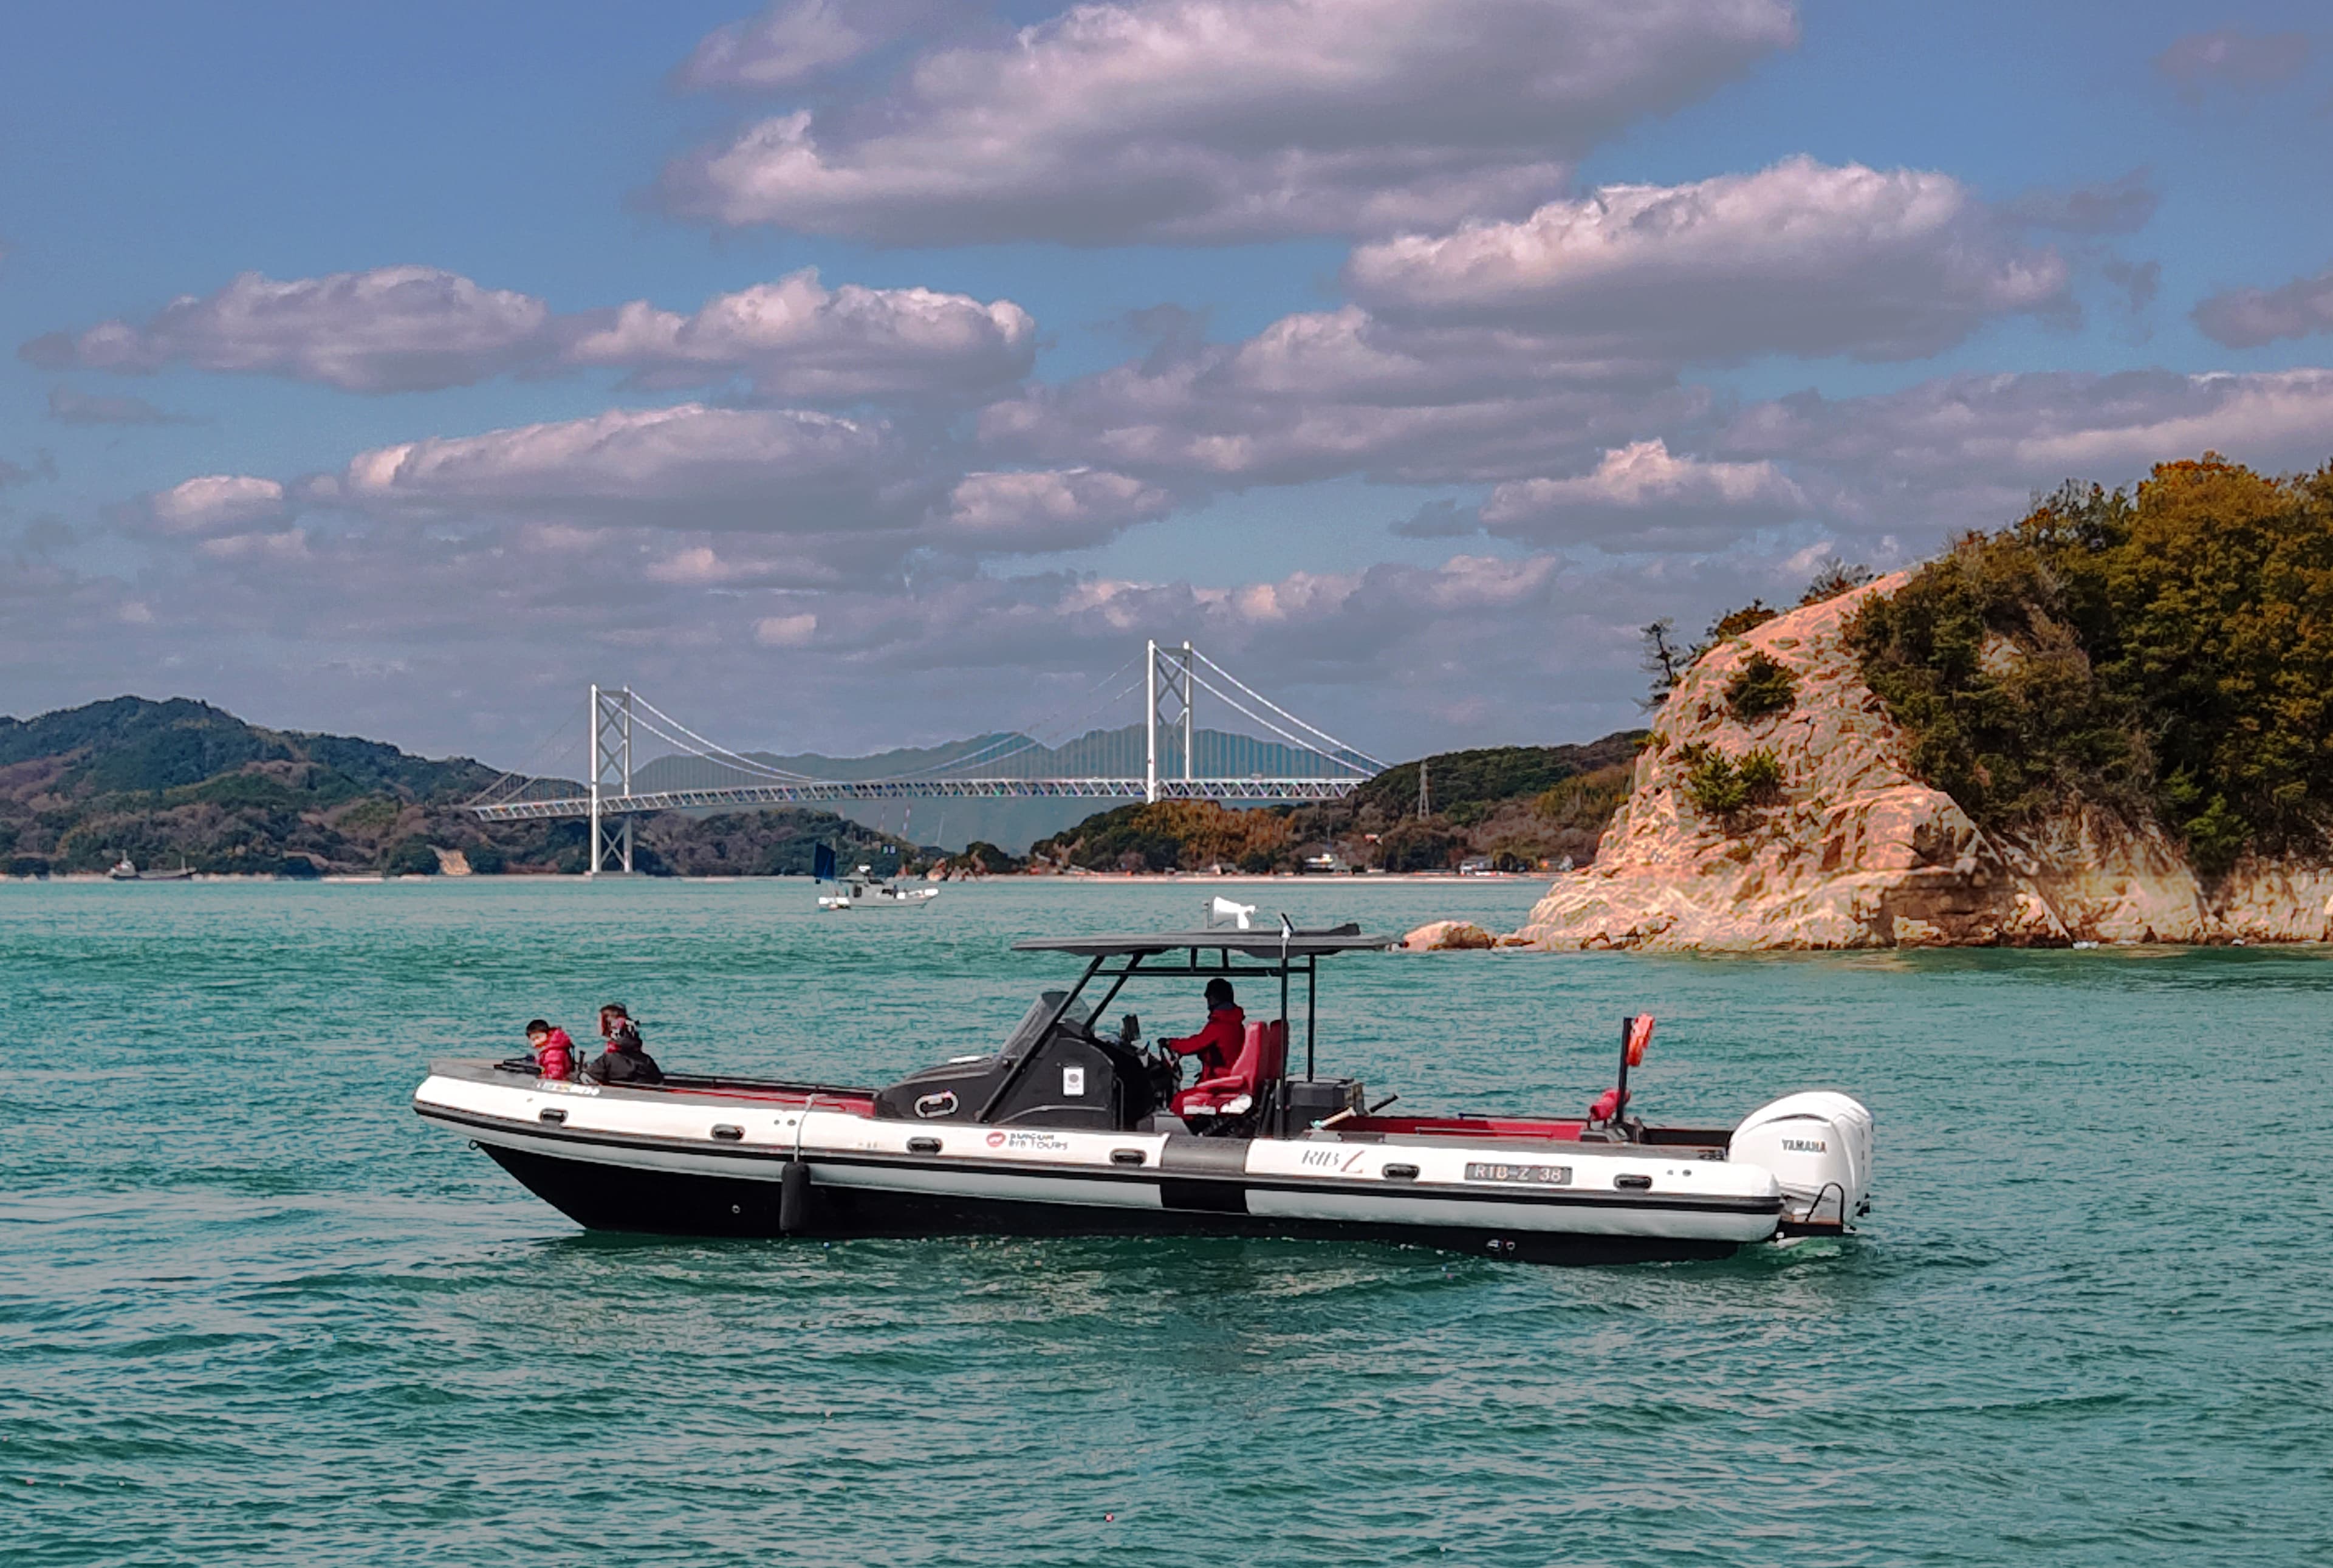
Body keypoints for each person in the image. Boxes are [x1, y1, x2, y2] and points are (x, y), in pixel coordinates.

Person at [1162, 978, 1244, 1081]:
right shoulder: (1236, 1024)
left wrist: (1170, 1043)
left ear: (1213, 998)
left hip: (1219, 1078)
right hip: (1228, 1075)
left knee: (1181, 1098)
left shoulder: (1220, 1025)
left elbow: (1195, 1045)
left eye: (1209, 998)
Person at [583, 1002, 664, 1086]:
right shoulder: (647, 1060)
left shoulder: (607, 1060)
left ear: (607, 1026)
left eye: (598, 1021)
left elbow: (585, 1079)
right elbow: (659, 1081)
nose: (597, 1024)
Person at [524, 1018, 576, 1082]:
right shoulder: (547, 1049)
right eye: (533, 1039)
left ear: (547, 1034)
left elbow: (555, 1075)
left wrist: (539, 1077)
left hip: (560, 1082)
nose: (537, 1041)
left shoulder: (553, 1052)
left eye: (538, 1038)